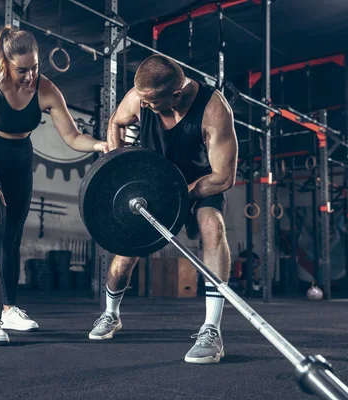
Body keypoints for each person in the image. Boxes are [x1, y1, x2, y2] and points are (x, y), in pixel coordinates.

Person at [0, 25, 108, 346]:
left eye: (35, 67)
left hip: (19, 160)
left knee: (13, 234)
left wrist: (99, 145)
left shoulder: (46, 90)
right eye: (22, 69)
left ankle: (10, 308)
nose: (30, 76)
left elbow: (72, 136)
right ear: (5, 63)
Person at [88, 55, 237, 365]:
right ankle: (111, 314)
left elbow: (224, 177)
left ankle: (212, 330)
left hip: (199, 185)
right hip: (152, 186)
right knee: (124, 257)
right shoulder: (140, 98)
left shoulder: (213, 109)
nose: (145, 107)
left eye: (153, 102)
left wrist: (182, 194)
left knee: (213, 228)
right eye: (143, 101)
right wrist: (118, 166)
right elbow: (116, 122)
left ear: (176, 95)